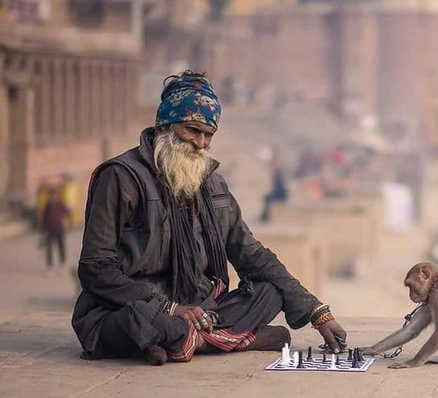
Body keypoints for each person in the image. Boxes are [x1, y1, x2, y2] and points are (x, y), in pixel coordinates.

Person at [72, 71, 346, 365]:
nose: (201, 143)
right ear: (165, 125)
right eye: (192, 130)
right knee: (143, 322)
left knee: (269, 292)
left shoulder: (213, 185)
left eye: (208, 135)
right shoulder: (121, 177)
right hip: (133, 308)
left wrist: (317, 312)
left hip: (200, 309)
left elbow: (251, 254)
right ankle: (218, 338)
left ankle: (189, 340)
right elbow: (95, 268)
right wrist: (167, 308)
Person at [41, 186, 71, 274]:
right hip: (50, 229)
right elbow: (44, 217)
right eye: (51, 195)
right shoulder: (48, 204)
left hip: (59, 228)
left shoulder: (60, 203)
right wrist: (42, 229)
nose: (52, 197)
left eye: (54, 195)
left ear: (57, 195)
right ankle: (50, 266)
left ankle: (62, 264)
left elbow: (68, 213)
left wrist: (68, 223)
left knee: (61, 246)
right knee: (49, 248)